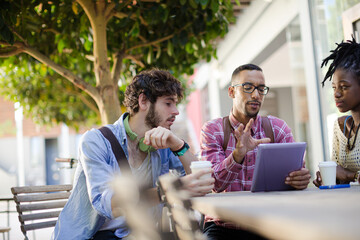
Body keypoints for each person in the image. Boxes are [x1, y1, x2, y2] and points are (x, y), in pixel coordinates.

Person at [52, 69, 214, 240]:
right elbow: (107, 204)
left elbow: (203, 182)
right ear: (143, 100)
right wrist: (167, 191)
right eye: (168, 103)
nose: (176, 111)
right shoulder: (96, 141)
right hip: (92, 236)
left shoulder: (164, 143)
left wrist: (178, 145)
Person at [200, 63, 311, 240]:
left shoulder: (278, 129)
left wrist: (300, 179)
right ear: (231, 92)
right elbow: (215, 185)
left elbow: (297, 175)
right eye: (248, 87)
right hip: (224, 226)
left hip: (268, 225)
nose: (255, 95)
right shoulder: (213, 130)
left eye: (261, 89)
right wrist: (238, 155)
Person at [313, 38, 360, 187]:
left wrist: (348, 175)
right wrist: (330, 178)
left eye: (344, 87)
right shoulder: (340, 126)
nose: (336, 94)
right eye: (334, 87)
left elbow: (346, 175)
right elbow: (339, 175)